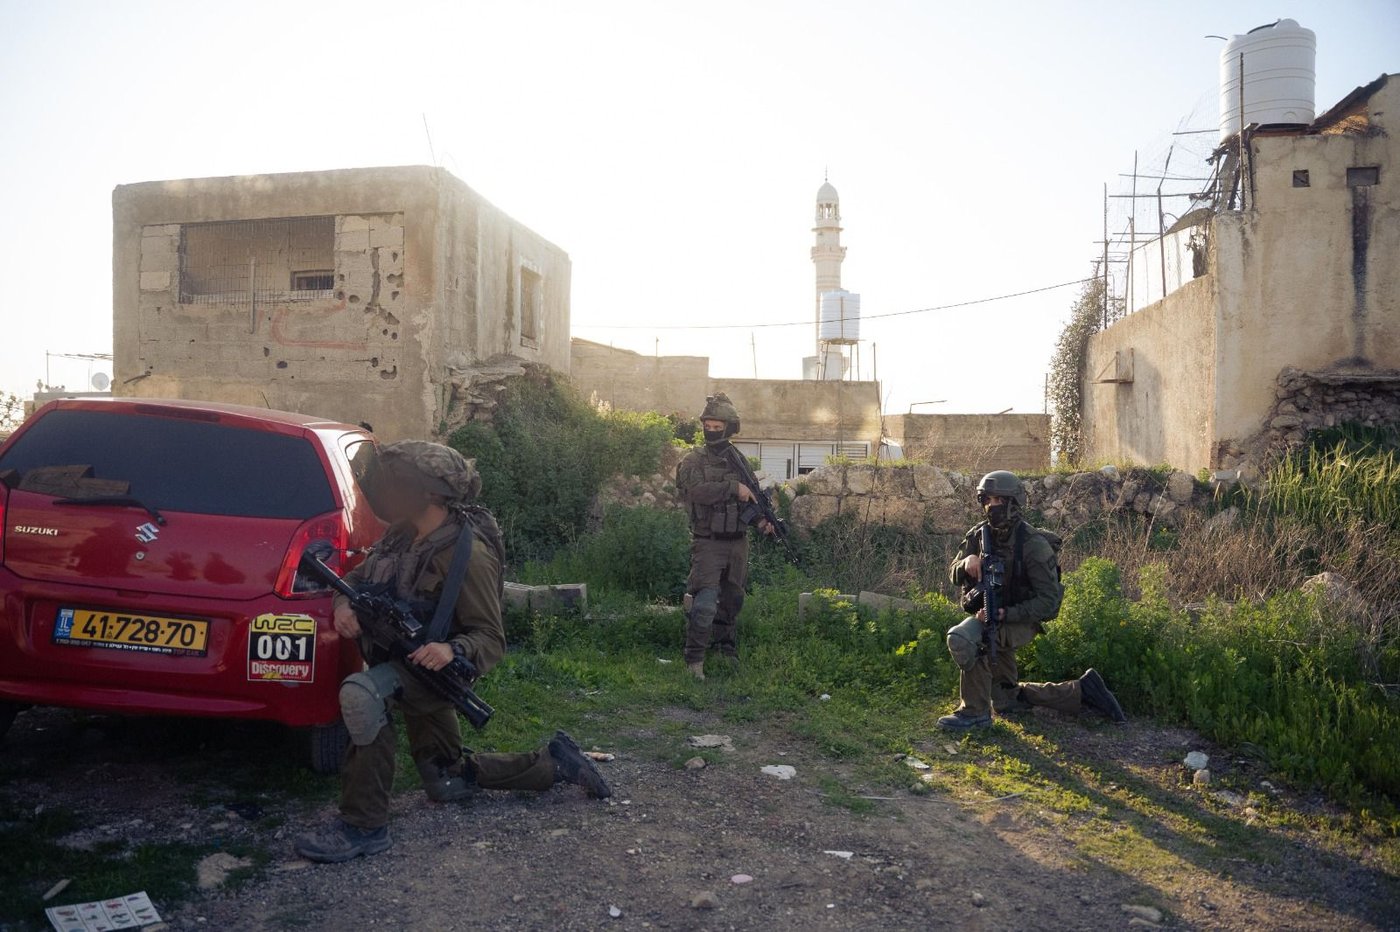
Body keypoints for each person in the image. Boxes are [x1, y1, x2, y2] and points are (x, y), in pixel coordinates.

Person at [295, 441, 610, 863]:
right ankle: (555, 763)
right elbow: (357, 576)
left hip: (437, 673)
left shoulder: (466, 556)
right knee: (447, 784)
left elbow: (490, 639)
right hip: (402, 663)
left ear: (428, 493)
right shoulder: (401, 535)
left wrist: (449, 648)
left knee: (361, 694)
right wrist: (343, 604)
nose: (386, 490)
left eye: (396, 483)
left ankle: (363, 827)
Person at [939, 470, 1127, 731]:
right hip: (989, 614)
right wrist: (965, 563)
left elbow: (1049, 602)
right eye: (987, 500)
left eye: (998, 501)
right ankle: (1081, 690)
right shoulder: (979, 535)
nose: (991, 507)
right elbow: (952, 574)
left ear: (1014, 504)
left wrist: (1007, 614)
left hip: (1022, 620)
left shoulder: (1033, 545)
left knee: (963, 638)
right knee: (1006, 700)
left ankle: (974, 714)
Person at [675, 393, 771, 680]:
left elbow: (749, 500)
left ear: (730, 428)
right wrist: (733, 487)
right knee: (705, 602)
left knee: (733, 600)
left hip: (737, 541)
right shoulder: (693, 459)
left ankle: (725, 650)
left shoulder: (738, 461)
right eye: (709, 426)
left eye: (718, 427)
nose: (712, 431)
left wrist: (761, 520)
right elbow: (695, 491)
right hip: (708, 541)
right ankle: (694, 661)